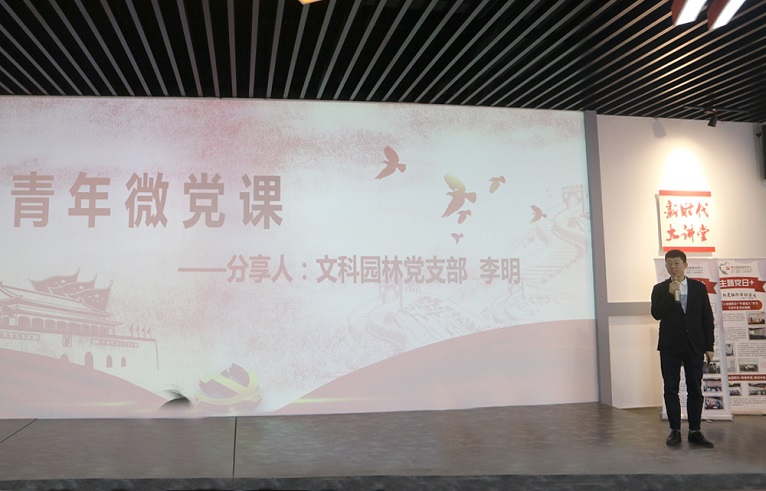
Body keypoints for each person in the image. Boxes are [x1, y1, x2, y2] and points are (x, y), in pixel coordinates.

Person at [651, 249, 715, 448]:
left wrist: (709, 346)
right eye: (669, 263)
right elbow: (656, 313)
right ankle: (675, 430)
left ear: (685, 265)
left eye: (677, 263)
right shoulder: (660, 289)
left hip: (694, 345)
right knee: (671, 388)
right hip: (670, 346)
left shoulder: (698, 288)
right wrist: (670, 294)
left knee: (695, 388)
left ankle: (695, 430)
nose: (673, 267)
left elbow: (707, 317)